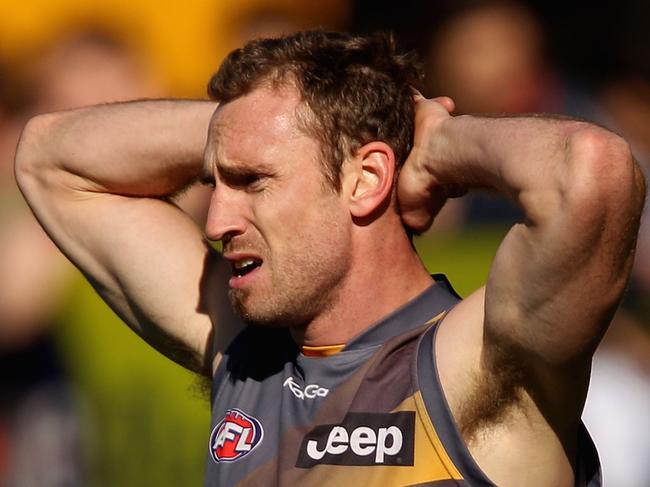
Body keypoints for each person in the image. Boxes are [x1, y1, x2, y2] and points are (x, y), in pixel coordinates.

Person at [14, 30, 645, 486]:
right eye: (217, 182)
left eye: (254, 181)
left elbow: (595, 172)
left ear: (366, 180)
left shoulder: (478, 360)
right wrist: (252, 125)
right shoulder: (247, 353)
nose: (216, 222)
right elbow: (48, 157)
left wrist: (440, 146)